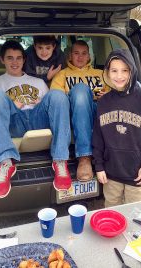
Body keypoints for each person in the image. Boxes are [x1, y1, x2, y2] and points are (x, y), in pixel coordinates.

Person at [0, 40, 71, 199]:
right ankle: (5, 162)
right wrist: (13, 105)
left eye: (18, 58)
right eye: (10, 58)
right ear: (2, 60)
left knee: (57, 95)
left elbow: (52, 107)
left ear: (24, 60)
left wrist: (40, 104)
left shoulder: (38, 82)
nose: (15, 62)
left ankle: (60, 160)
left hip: (38, 119)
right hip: (14, 122)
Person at [92, 48, 141, 207]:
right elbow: (98, 138)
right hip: (111, 174)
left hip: (136, 174)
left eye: (125, 70)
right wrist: (99, 166)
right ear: (107, 72)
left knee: (135, 212)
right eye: (114, 70)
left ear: (132, 70)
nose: (119, 76)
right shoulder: (103, 103)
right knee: (112, 210)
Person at [50, 40, 108, 182]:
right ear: (70, 56)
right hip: (74, 113)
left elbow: (119, 96)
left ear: (89, 56)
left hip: (97, 111)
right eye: (76, 53)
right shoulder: (62, 75)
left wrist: (108, 96)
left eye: (84, 54)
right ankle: (84, 158)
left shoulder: (102, 74)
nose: (80, 57)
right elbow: (56, 101)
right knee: (80, 90)